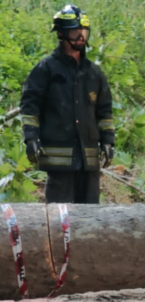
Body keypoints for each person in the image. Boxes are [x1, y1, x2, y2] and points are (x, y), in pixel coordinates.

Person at [19, 5, 114, 204]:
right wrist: (31, 138)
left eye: (84, 31)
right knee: (59, 218)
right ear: (61, 33)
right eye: (75, 31)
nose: (81, 36)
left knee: (91, 217)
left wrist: (108, 141)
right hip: (59, 160)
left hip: (89, 160)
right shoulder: (46, 69)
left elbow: (104, 112)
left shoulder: (94, 73)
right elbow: (30, 106)